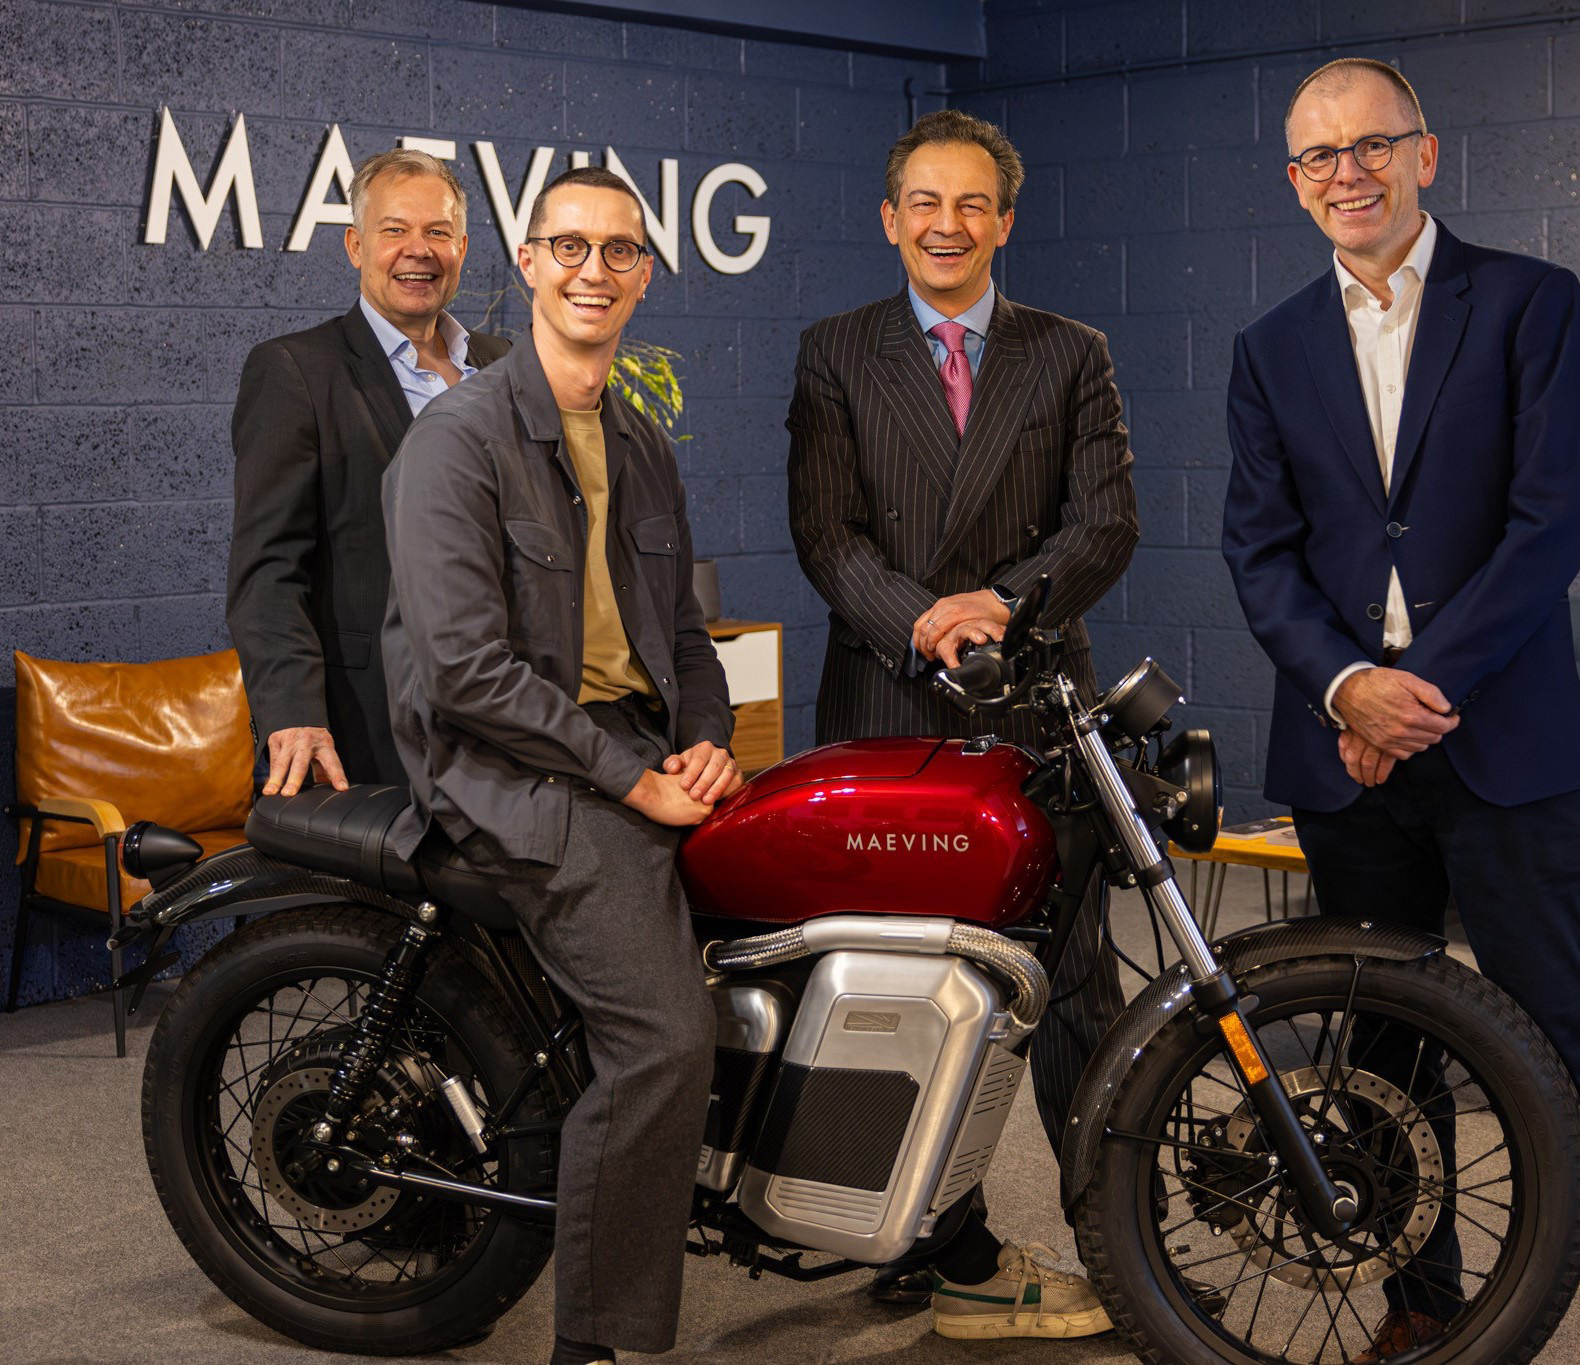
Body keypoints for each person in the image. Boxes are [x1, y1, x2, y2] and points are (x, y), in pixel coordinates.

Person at [1221, 57, 1580, 1365]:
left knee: (1567, 1052)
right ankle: (1421, 1302)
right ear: (1293, 183)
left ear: (1422, 154)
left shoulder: (1529, 302)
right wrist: (1346, 688)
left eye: (1371, 144)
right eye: (1318, 156)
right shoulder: (1267, 348)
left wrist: (1412, 692)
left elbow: (1549, 525)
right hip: (1345, 760)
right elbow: (1258, 553)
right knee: (1383, 1057)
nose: (1347, 173)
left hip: (1502, 745)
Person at [787, 108, 1139, 1341]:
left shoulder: (1070, 352)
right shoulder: (834, 352)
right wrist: (925, 621)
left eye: (971, 203)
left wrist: (999, 605)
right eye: (925, 204)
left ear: (1003, 220)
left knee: (1072, 985)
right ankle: (936, 1244)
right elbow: (825, 534)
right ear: (891, 220)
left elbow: (1105, 524)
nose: (948, 224)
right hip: (887, 702)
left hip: (1033, 703)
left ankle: (1121, 1247)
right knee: (900, 989)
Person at [381, 166, 738, 1365]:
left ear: (645, 275)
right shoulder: (457, 440)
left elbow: (683, 634)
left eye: (620, 249)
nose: (595, 269)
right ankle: (594, 1343)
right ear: (529, 263)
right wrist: (632, 781)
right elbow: (466, 673)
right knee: (664, 1041)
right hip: (509, 772)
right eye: (570, 246)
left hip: (627, 750)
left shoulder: (637, 439)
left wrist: (706, 740)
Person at [226, 148, 509, 797]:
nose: (419, 250)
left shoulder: (504, 367)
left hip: (505, 717)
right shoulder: (297, 371)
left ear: (462, 248)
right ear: (356, 246)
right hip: (368, 721)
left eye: (437, 231)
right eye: (394, 230)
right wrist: (293, 712)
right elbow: (268, 569)